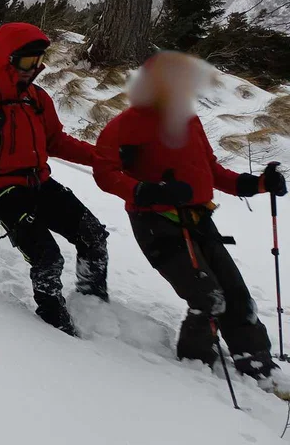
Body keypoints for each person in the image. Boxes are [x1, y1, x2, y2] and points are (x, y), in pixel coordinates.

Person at [94, 52, 290, 397]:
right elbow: (105, 173)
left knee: (236, 295)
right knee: (208, 298)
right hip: (156, 223)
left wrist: (259, 184)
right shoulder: (127, 125)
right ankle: (195, 365)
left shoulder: (188, 120)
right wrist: (149, 190)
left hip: (199, 219)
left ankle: (257, 363)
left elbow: (212, 171)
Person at [0, 23, 107, 335]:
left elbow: (56, 141)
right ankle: (55, 326)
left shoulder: (36, 98)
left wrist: (103, 158)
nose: (35, 69)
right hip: (1, 190)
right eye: (28, 62)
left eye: (38, 62)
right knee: (47, 258)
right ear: (8, 59)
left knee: (93, 234)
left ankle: (94, 302)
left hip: (39, 183)